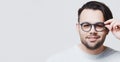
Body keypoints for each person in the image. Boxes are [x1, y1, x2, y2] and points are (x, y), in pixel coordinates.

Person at [46, 1, 120, 62]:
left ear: (107, 29)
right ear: (78, 28)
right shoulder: (56, 60)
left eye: (99, 25)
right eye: (86, 25)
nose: (92, 31)